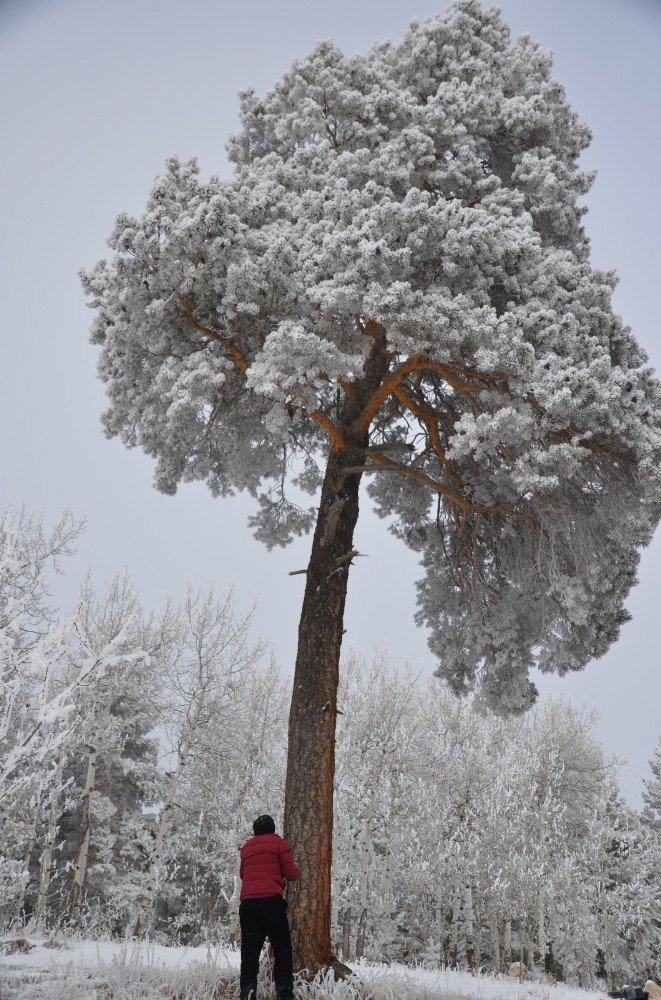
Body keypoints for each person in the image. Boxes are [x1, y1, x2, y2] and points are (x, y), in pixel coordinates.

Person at [239, 814, 300, 1000]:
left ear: (255, 831)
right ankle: (284, 993)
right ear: (273, 829)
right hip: (271, 903)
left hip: (248, 904)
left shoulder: (246, 848)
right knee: (282, 950)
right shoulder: (280, 844)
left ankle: (247, 994)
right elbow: (291, 874)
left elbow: (243, 875)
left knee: (249, 953)